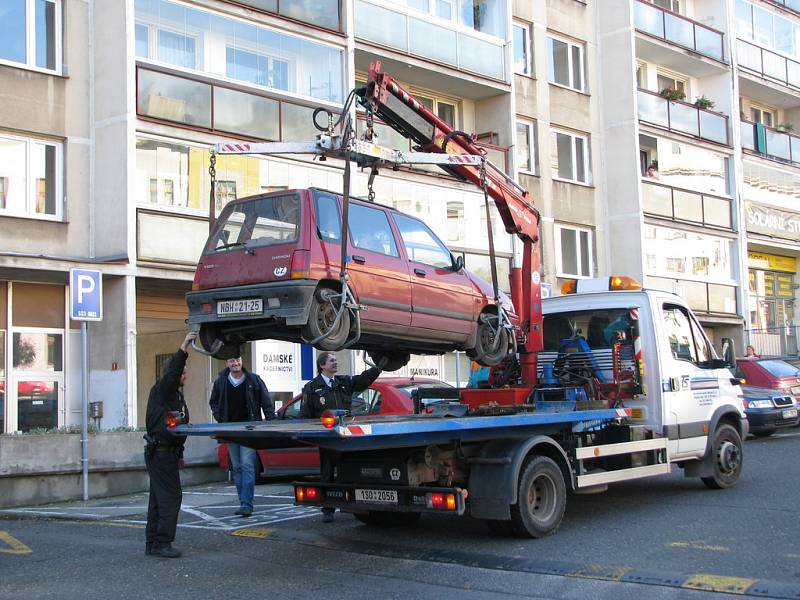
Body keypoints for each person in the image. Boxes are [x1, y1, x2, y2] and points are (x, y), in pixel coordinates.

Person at [300, 352, 382, 522]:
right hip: (327, 438)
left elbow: (362, 381)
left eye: (336, 360)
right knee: (327, 473)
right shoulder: (312, 387)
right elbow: (305, 415)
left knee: (350, 470)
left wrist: (379, 367)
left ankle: (353, 504)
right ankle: (328, 509)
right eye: (332, 361)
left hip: (346, 437)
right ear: (322, 365)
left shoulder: (343, 382)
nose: (335, 363)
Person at [144, 331, 196, 559]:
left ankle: (152, 542)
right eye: (182, 373)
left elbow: (178, 426)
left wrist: (180, 453)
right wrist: (185, 345)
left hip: (167, 453)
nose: (185, 375)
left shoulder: (174, 396)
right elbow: (174, 370)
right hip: (160, 453)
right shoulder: (162, 390)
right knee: (171, 497)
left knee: (157, 498)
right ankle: (162, 543)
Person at [209, 356, 275, 518]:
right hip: (230, 431)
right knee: (237, 467)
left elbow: (266, 402)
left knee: (246, 465)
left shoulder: (253, 379)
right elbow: (214, 402)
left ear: (241, 361)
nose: (235, 363)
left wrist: (271, 423)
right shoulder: (221, 382)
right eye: (231, 361)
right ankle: (242, 502)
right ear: (227, 363)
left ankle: (247, 504)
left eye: (237, 360)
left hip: (249, 430)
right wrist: (221, 418)